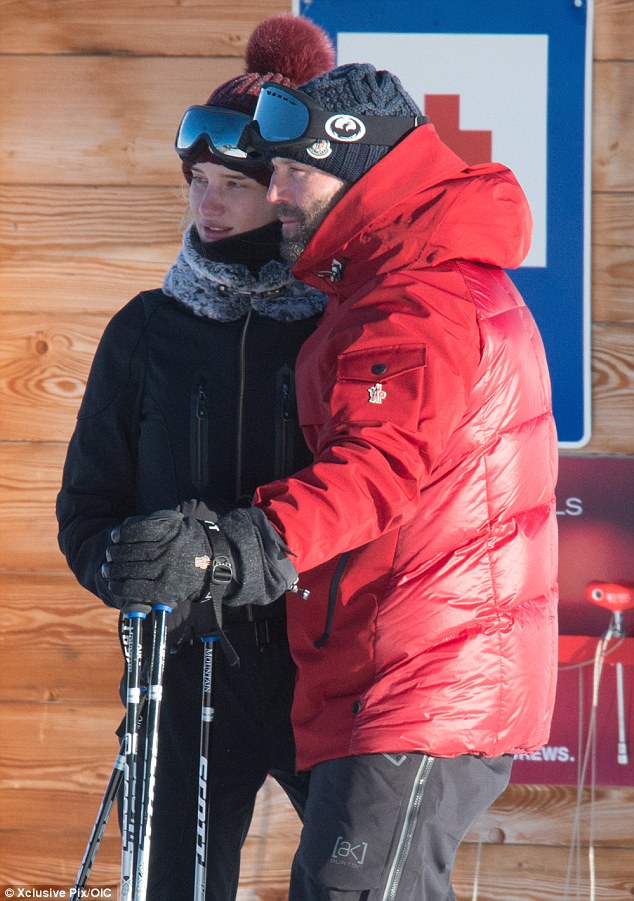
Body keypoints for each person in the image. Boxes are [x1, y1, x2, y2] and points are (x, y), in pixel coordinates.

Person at [99, 60, 559, 901]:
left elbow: (374, 470)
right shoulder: (390, 282)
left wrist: (228, 550)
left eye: (290, 172)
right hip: (389, 667)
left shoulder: (413, 301)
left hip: (422, 668)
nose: (273, 194)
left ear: (355, 167)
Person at [56, 15, 336, 901]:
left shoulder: (341, 327)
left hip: (321, 669)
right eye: (197, 181)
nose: (205, 202)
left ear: (286, 192)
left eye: (233, 184)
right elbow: (86, 509)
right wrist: (124, 566)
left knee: (357, 876)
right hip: (182, 670)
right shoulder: (145, 330)